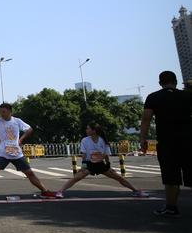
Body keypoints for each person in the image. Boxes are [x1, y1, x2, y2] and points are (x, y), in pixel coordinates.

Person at [0, 103, 57, 201]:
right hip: (3, 153)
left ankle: (45, 191)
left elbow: (29, 129)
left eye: (3, 112)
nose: (1, 114)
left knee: (30, 173)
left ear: (10, 111)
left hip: (16, 153)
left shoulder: (17, 121)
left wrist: (21, 139)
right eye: (0, 112)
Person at [140, 71, 192, 218]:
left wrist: (143, 139)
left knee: (171, 177)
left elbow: (146, 119)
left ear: (160, 83)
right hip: (188, 140)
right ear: (175, 82)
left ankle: (171, 207)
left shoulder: (153, 97)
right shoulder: (187, 96)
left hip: (167, 142)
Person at [56, 124, 148, 198]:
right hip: (89, 164)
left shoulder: (103, 140)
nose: (86, 130)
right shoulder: (85, 140)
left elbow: (106, 154)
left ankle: (136, 191)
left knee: (118, 177)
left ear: (94, 131)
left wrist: (108, 165)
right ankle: (60, 192)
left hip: (101, 164)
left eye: (88, 129)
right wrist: (83, 166)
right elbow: (83, 154)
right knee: (76, 178)